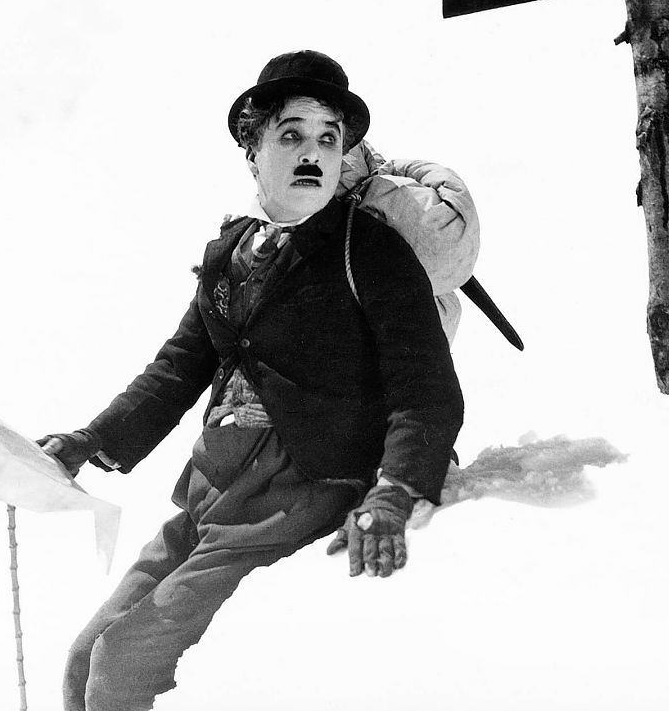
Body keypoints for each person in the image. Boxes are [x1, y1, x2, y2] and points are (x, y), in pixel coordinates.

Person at [38, 49, 464, 711]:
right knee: (80, 661)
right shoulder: (233, 251)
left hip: (297, 495)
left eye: (329, 138)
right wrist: (88, 440)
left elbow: (426, 387)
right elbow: (178, 366)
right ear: (252, 147)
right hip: (212, 497)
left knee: (121, 661)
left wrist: (394, 491)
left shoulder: (371, 250)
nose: (313, 153)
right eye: (291, 135)